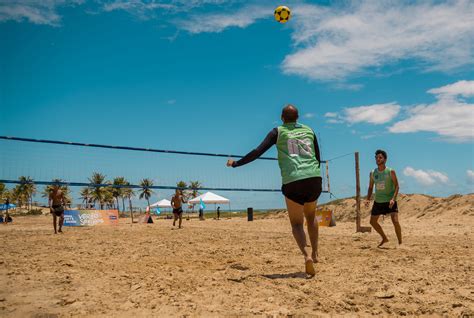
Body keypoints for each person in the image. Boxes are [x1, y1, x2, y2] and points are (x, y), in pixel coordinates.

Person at [227, 104, 322, 276]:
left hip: (293, 180)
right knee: (311, 215)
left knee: (297, 223)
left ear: (282, 117)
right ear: (298, 117)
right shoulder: (309, 130)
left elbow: (257, 152)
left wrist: (236, 164)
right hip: (314, 178)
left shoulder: (277, 132)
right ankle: (315, 253)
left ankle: (307, 255)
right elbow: (318, 156)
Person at [365, 149, 402, 247]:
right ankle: (384, 238)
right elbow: (370, 187)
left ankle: (400, 243)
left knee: (395, 221)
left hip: (390, 201)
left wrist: (393, 199)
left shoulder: (390, 171)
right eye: (376, 157)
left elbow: (397, 186)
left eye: (380, 157)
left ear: (385, 159)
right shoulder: (373, 173)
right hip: (378, 201)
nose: (378, 159)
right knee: (372, 222)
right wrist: (368, 199)